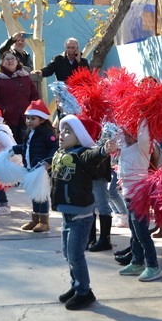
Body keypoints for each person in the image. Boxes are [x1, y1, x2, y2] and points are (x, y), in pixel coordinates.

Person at [53, 114, 114, 310]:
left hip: (80, 217)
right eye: (62, 130)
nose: (62, 134)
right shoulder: (62, 153)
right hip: (66, 215)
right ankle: (76, 285)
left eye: (68, 131)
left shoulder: (82, 155)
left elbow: (95, 154)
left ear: (80, 136)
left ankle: (84, 292)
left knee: (76, 255)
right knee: (67, 253)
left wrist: (104, 149)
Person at [117, 120, 162, 282]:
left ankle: (153, 266)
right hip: (128, 197)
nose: (127, 135)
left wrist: (142, 114)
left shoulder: (143, 148)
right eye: (126, 132)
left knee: (142, 233)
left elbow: (144, 137)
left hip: (140, 197)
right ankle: (137, 261)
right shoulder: (124, 147)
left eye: (131, 132)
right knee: (135, 232)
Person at [10, 100, 57, 227]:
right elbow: (27, 148)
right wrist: (14, 149)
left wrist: (48, 161)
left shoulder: (46, 133)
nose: (29, 121)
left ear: (41, 120)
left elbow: (54, 147)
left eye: (33, 118)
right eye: (28, 118)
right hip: (31, 168)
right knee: (34, 194)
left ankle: (44, 221)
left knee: (41, 194)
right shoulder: (30, 133)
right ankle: (35, 218)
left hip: (41, 168)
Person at [0, 51, 41, 143]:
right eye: (7, 59)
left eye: (12, 59)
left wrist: (32, 110)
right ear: (2, 62)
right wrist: (3, 110)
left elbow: (34, 95)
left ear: (17, 61)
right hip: (6, 120)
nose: (10, 61)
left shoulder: (25, 77)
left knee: (24, 144)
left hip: (25, 118)